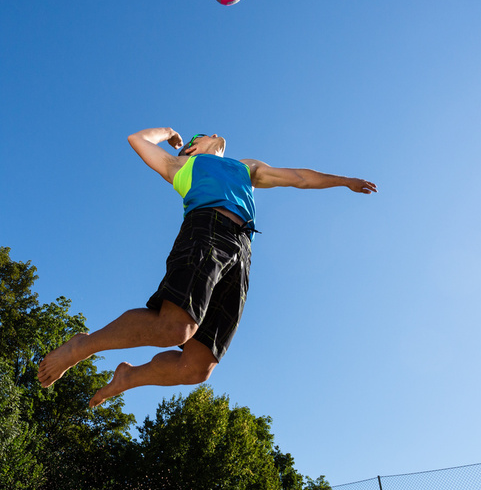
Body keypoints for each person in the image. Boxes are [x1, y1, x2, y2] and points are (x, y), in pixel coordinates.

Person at [38, 128, 377, 407]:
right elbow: (136, 140)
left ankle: (129, 377)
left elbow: (300, 177)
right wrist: (169, 133)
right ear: (192, 148)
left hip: (242, 251)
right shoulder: (179, 165)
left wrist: (344, 180)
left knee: (197, 367)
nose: (215, 134)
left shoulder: (247, 167)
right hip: (207, 230)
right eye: (201, 136)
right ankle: (82, 346)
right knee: (176, 329)